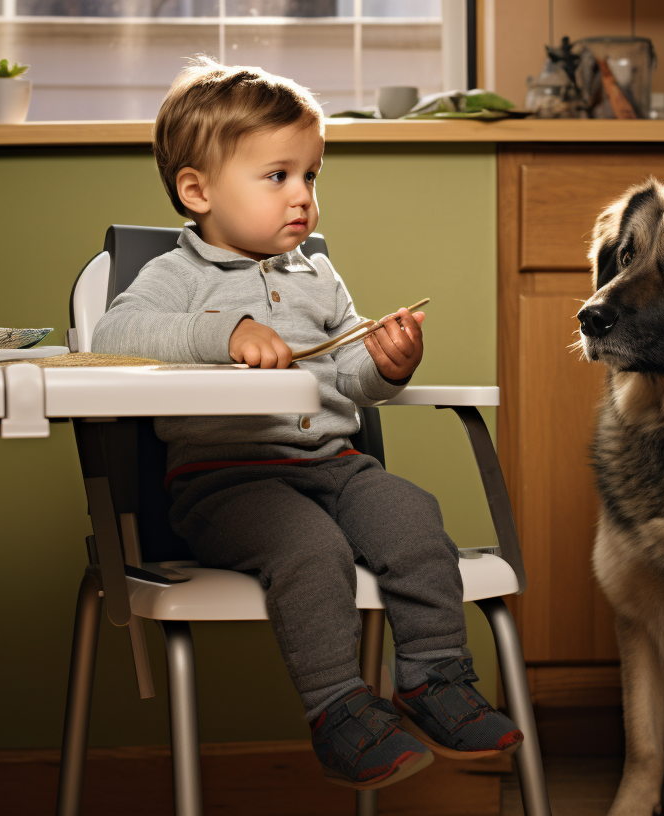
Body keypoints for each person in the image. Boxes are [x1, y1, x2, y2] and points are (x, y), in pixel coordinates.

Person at [91, 57, 523, 791]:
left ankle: (431, 678)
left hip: (333, 466)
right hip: (227, 483)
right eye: (277, 177)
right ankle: (338, 710)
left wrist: (386, 365)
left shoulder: (315, 275)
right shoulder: (176, 276)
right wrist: (224, 335)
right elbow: (111, 337)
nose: (302, 198)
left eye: (311, 176)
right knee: (310, 548)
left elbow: (349, 377)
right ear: (197, 190)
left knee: (414, 515)